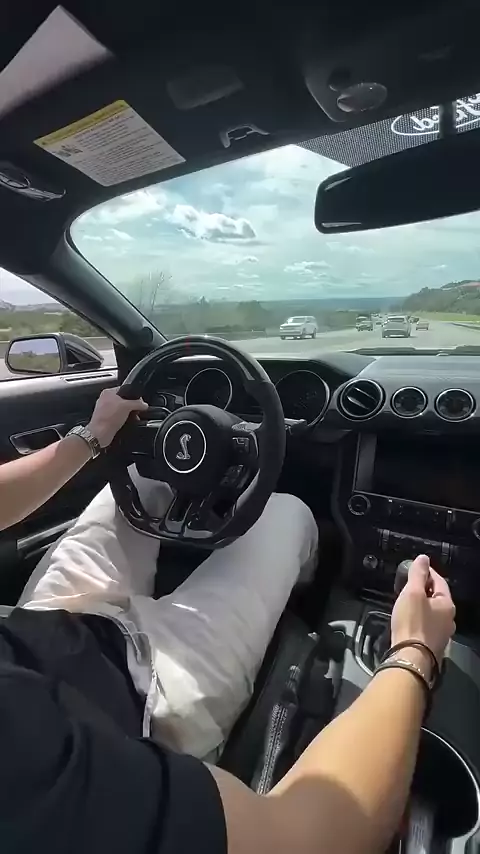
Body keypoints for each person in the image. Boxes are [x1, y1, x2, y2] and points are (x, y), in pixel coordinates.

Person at [0, 389, 455, 854]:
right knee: (288, 511)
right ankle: (310, 596)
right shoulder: (32, 773)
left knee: (143, 476)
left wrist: (91, 438)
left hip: (47, 626)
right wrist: (416, 649)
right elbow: (303, 840)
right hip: (148, 697)